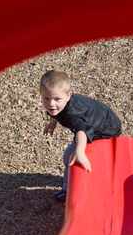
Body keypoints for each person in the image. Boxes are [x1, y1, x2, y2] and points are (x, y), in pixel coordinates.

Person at [40, 70, 122, 200]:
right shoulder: (57, 106)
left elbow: (82, 131)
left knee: (69, 156)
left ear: (68, 96)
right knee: (70, 156)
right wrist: (52, 123)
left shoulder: (72, 114)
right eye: (46, 98)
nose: (51, 103)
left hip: (105, 130)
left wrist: (80, 151)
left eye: (57, 99)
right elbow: (54, 111)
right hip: (100, 120)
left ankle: (68, 190)